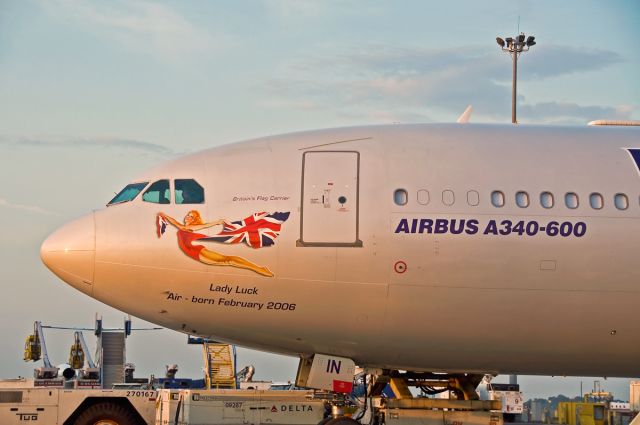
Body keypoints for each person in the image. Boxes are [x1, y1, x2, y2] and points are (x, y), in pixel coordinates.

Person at [157, 210, 274, 277]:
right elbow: (174, 221)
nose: (187, 217)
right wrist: (165, 215)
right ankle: (258, 268)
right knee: (227, 261)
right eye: (188, 215)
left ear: (194, 220)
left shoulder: (192, 227)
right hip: (193, 253)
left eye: (191, 216)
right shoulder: (182, 227)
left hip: (197, 251)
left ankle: (259, 269)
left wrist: (217, 222)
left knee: (229, 260)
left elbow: (205, 225)